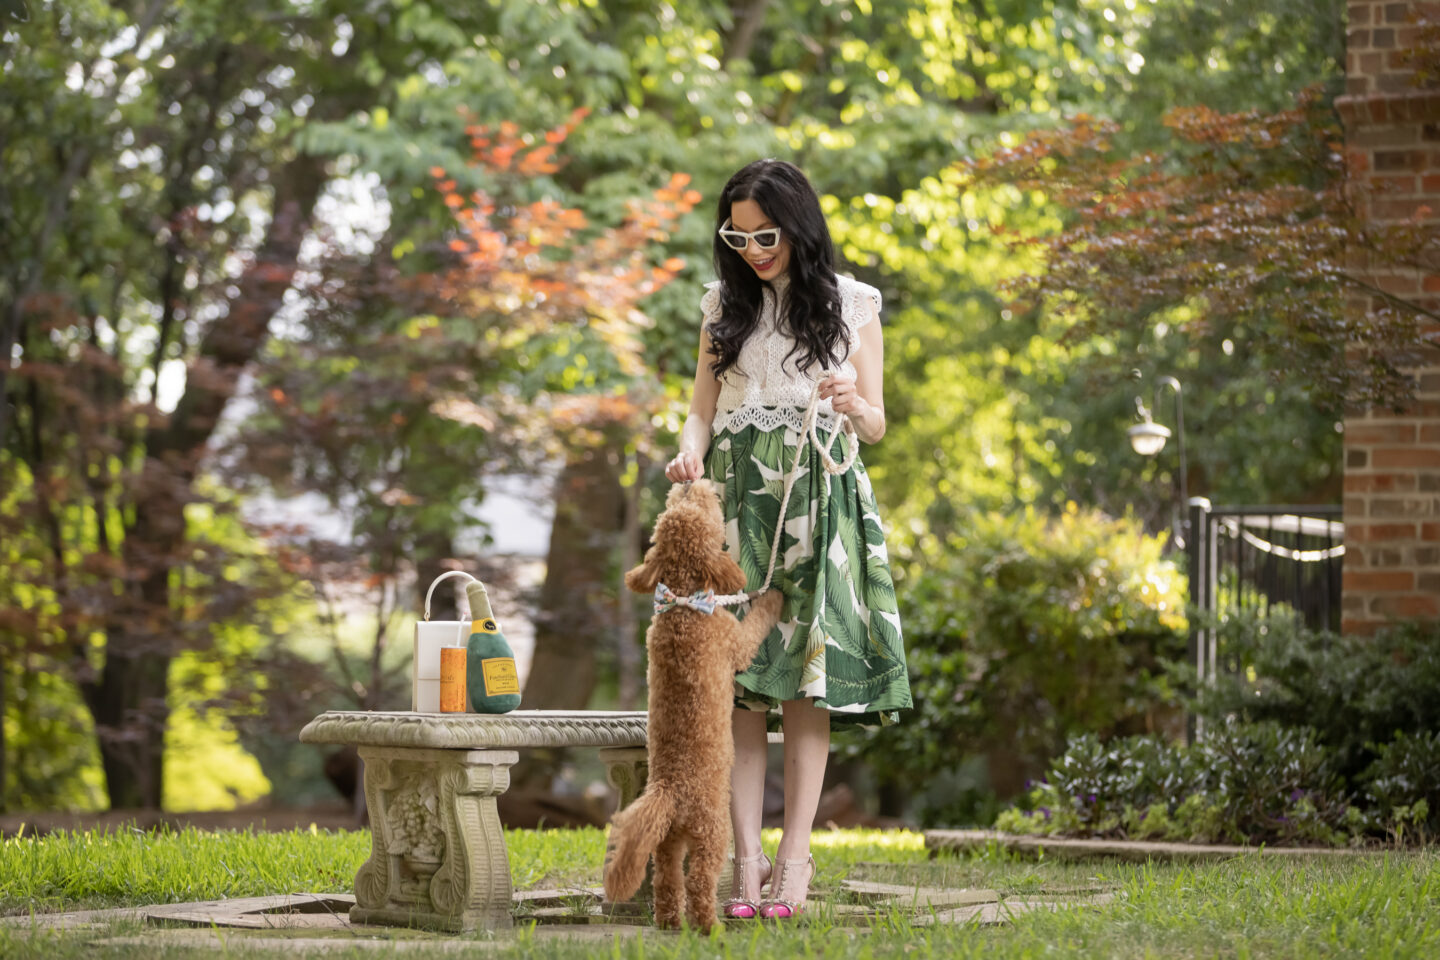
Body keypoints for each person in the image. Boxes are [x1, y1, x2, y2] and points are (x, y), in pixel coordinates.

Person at [663, 159, 911, 920]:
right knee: (737, 686)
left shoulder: (852, 303)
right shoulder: (721, 307)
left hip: (820, 499)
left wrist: (850, 401)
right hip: (739, 501)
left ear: (798, 225)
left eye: (765, 234)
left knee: (808, 684)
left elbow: (875, 423)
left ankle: (795, 859)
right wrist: (689, 450)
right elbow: (701, 410)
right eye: (736, 236)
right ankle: (745, 861)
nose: (752, 249)